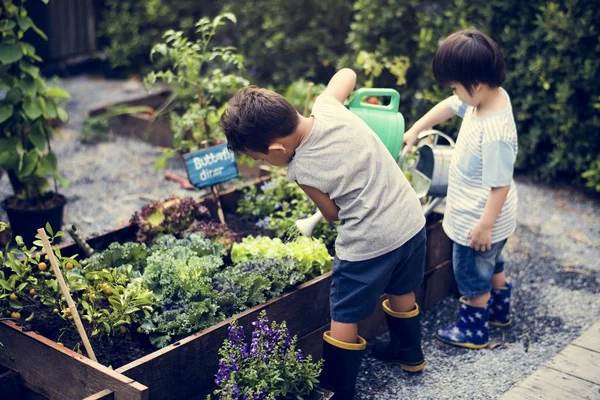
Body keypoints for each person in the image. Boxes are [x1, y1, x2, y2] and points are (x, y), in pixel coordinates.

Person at [220, 68, 427, 398]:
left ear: (275, 150)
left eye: (260, 157)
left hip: (369, 241)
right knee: (402, 287)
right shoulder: (328, 106)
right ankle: (410, 354)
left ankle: (338, 387)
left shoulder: (300, 168)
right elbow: (347, 73)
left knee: (344, 312)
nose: (264, 160)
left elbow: (332, 214)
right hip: (410, 220)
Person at [404, 28, 517, 349]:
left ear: (476, 85)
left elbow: (500, 185)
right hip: (492, 220)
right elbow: (451, 106)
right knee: (492, 263)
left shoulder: (494, 131)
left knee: (471, 274)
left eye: (455, 85)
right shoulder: (487, 98)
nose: (454, 92)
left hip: (479, 221)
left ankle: (473, 330)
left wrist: (484, 225)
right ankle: (499, 310)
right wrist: (417, 128)